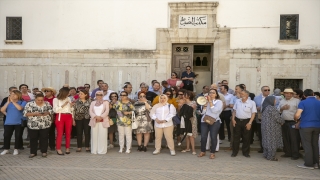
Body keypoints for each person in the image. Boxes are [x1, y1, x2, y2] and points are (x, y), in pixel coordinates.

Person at [294, 89, 320, 169]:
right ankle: (316, 163)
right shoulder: (319, 102)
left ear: (304, 95)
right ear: (313, 94)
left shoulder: (303, 102)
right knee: (315, 144)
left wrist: (296, 120)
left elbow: (297, 114)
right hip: (317, 126)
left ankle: (308, 164)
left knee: (307, 145)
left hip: (306, 126)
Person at [23, 94, 53, 158]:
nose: (40, 101)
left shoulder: (47, 103)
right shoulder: (29, 104)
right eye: (38, 100)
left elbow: (51, 111)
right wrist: (35, 113)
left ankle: (44, 151)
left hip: (45, 124)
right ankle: (33, 152)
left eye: (42, 100)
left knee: (44, 138)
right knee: (33, 138)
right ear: (35, 99)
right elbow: (25, 113)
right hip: (33, 124)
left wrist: (47, 113)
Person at [198, 89, 223, 159]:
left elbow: (215, 111)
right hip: (204, 121)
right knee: (203, 137)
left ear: (216, 94)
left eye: (213, 93)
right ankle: (203, 151)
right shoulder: (205, 101)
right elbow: (202, 112)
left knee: (213, 137)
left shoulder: (219, 102)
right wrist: (205, 105)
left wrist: (210, 102)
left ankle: (212, 152)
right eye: (210, 93)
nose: (211, 94)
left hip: (214, 121)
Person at [231, 90, 257, 158]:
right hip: (237, 120)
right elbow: (234, 111)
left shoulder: (252, 103)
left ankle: (245, 152)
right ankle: (234, 152)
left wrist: (250, 123)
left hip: (247, 121)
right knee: (236, 137)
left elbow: (253, 113)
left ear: (247, 95)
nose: (240, 95)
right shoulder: (237, 101)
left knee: (246, 137)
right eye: (240, 93)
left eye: (242, 94)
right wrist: (233, 119)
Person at [0, 90, 27, 155]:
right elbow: (2, 110)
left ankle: (16, 149)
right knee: (6, 136)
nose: (12, 95)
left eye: (14, 94)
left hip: (18, 122)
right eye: (11, 94)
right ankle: (6, 149)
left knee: (18, 136)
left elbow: (20, 108)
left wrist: (13, 102)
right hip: (8, 122)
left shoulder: (22, 102)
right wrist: (8, 103)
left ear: (18, 95)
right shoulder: (8, 103)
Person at [278, 88, 301, 160]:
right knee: (285, 138)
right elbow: (278, 110)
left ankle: (295, 154)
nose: (288, 95)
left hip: (293, 122)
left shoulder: (297, 101)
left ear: (292, 94)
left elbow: (300, 112)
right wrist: (282, 108)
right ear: (284, 94)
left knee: (294, 138)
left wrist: (298, 122)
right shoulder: (282, 101)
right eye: (287, 93)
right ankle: (287, 153)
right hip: (284, 122)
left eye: (290, 93)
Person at [261, 96, 284, 161]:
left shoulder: (265, 107)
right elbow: (277, 118)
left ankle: (266, 154)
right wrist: (282, 121)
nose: (275, 101)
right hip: (272, 128)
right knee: (272, 142)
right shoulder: (271, 108)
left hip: (265, 127)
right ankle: (271, 157)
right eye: (274, 100)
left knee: (266, 141)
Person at [53, 87, 74, 155]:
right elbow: (55, 110)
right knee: (60, 133)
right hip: (60, 116)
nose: (69, 94)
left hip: (68, 116)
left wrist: (71, 106)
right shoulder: (56, 99)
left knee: (68, 133)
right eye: (68, 92)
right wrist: (63, 105)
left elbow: (71, 110)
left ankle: (67, 148)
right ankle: (58, 148)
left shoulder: (68, 98)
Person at [253, 86, 271, 153]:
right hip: (260, 117)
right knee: (260, 133)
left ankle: (269, 148)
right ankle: (262, 147)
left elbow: (276, 106)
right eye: (265, 90)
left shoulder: (272, 98)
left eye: (268, 90)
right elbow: (253, 106)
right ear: (262, 91)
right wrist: (256, 108)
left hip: (270, 118)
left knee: (269, 134)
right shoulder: (256, 98)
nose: (267, 91)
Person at [180, 90, 197, 155]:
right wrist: (180, 105)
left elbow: (191, 110)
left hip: (191, 120)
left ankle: (193, 149)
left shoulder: (193, 102)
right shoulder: (183, 103)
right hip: (184, 119)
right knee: (186, 134)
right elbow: (180, 111)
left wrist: (183, 104)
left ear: (189, 96)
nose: (183, 96)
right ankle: (187, 148)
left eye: (184, 95)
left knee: (191, 135)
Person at [19, 84, 34, 148]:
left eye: (25, 87)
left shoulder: (31, 95)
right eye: (22, 87)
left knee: (31, 131)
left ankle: (31, 144)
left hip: (30, 115)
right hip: (21, 115)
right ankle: (20, 145)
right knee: (20, 131)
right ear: (20, 89)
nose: (24, 88)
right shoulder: (18, 95)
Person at [42, 87, 57, 151]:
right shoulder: (42, 99)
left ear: (52, 92)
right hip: (43, 117)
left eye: (47, 91)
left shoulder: (55, 99)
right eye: (45, 91)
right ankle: (42, 145)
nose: (46, 92)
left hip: (52, 117)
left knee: (51, 132)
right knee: (43, 133)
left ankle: (52, 145)